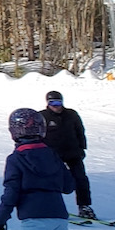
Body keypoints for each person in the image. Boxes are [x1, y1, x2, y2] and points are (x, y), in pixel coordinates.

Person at [40, 91, 93, 220]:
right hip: (53, 155)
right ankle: (51, 207)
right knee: (51, 181)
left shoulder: (71, 114)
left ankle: (84, 206)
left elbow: (80, 131)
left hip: (73, 154)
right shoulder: (42, 116)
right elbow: (38, 136)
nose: (56, 106)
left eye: (58, 102)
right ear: (47, 103)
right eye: (52, 103)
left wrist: (82, 148)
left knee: (80, 180)